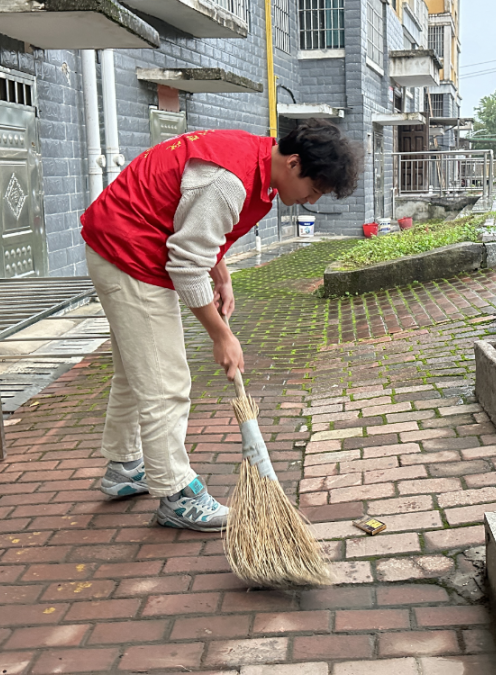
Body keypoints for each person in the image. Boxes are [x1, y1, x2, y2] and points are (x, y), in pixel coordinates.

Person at [79, 120, 358, 532]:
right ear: (294, 163)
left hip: (118, 242)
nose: (311, 201)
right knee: (166, 382)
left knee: (137, 370)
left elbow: (196, 226)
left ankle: (125, 466)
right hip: (128, 253)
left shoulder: (256, 158)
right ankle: (176, 494)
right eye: (313, 189)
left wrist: (221, 273)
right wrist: (221, 335)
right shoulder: (228, 181)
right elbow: (186, 266)